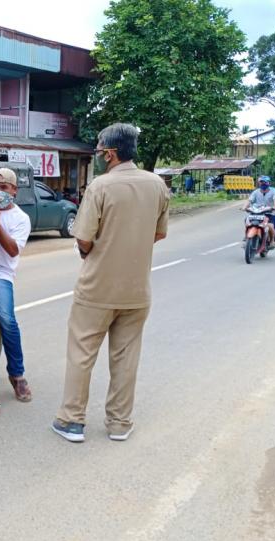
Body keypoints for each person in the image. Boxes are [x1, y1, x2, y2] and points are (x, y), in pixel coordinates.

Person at [52, 123, 169, 443]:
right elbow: (159, 234)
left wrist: (97, 249)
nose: (101, 156)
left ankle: (72, 421)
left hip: (97, 289)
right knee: (126, 359)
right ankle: (119, 423)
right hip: (136, 291)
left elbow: (85, 238)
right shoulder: (157, 184)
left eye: (102, 151)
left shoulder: (101, 186)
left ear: (112, 152)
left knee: (81, 355)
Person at [0, 168, 33, 402]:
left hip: (0, 274)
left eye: (4, 188)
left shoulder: (20, 218)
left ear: (14, 190)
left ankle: (17, 375)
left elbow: (12, 250)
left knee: (7, 321)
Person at [243, 175, 275, 244]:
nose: (263, 184)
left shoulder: (274, 191)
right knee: (247, 220)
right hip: (256, 212)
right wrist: (244, 207)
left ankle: (272, 241)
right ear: (258, 183)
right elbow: (249, 200)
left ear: (269, 183)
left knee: (270, 226)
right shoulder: (255, 192)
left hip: (269, 213)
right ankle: (246, 236)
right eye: (261, 182)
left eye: (266, 182)